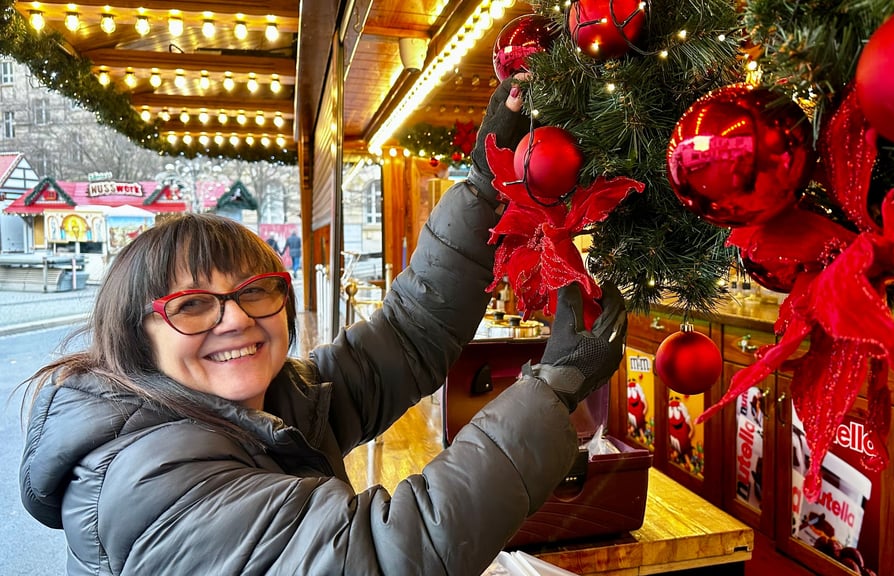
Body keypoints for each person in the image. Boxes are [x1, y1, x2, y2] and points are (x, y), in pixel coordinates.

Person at [19, 76, 629, 576]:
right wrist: (551, 392)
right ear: (137, 337)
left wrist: (484, 186)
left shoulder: (265, 407)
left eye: (254, 291)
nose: (235, 319)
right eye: (193, 305)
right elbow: (384, 556)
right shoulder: (153, 482)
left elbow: (406, 336)